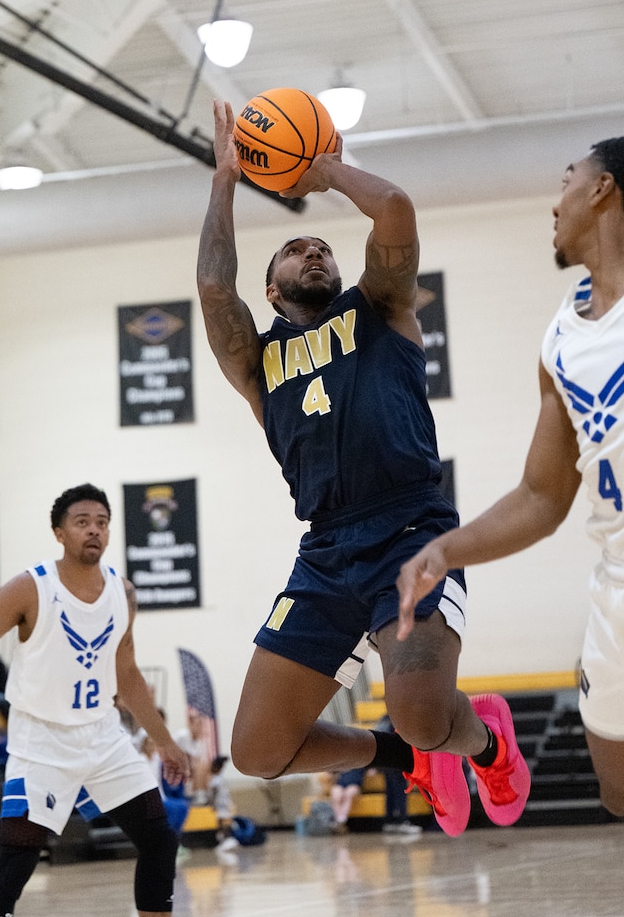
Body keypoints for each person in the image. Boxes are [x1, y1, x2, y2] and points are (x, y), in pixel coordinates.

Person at [196, 99, 530, 845]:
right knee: (256, 751)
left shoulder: (380, 308)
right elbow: (217, 290)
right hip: (325, 551)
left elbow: (397, 211)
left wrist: (328, 168)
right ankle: (402, 758)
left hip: (412, 531)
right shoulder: (256, 361)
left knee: (423, 714)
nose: (314, 252)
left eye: (323, 247)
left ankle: (487, 742)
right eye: (295, 250)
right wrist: (225, 178)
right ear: (273, 290)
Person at [396, 135, 624, 820]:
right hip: (621, 589)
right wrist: (444, 551)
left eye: (568, 179)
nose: (555, 202)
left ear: (604, 189)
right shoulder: (559, 340)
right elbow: (543, 496)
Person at [0, 483, 224, 917]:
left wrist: (166, 741)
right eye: (81, 521)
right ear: (59, 532)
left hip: (102, 738)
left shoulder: (123, 591)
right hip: (41, 742)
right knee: (19, 859)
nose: (94, 529)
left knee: (160, 839)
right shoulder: (31, 588)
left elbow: (127, 673)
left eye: (102, 521)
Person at [330, 767, 366, 834]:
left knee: (349, 792)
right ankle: (338, 820)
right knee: (335, 792)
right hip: (341, 785)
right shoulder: (341, 763)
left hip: (355, 786)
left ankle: (341, 821)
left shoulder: (359, 763)